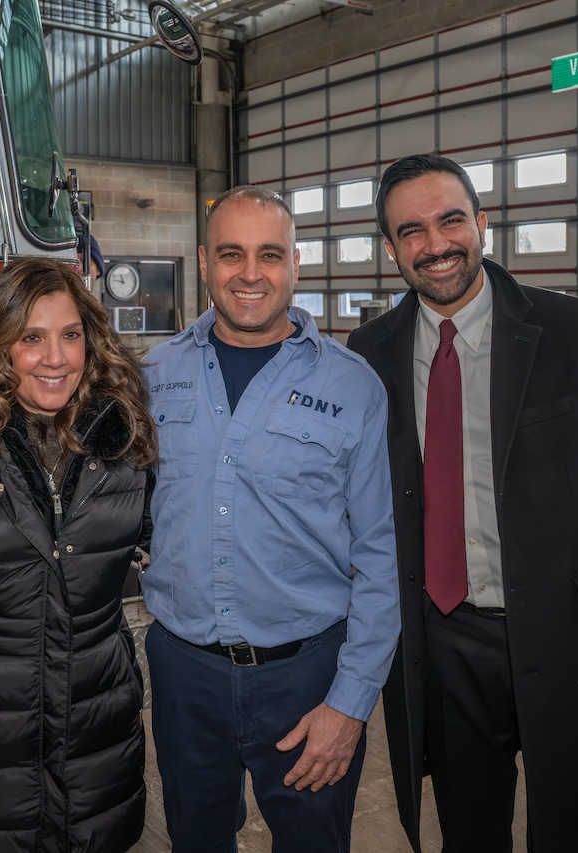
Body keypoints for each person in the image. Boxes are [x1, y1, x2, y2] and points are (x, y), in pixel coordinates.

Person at [347, 153, 578, 853]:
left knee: (577, 828)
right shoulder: (369, 350)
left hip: (571, 638)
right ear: (390, 248)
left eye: (450, 220)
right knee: (470, 832)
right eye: (411, 231)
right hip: (441, 647)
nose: (435, 245)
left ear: (484, 224)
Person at [142, 185, 400, 852]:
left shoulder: (353, 386)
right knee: (196, 839)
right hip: (182, 670)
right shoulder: (152, 374)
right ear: (204, 262)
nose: (250, 274)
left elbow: (382, 555)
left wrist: (350, 702)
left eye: (269, 254)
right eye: (231, 254)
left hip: (306, 673)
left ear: (295, 263)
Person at [0, 256, 156, 852]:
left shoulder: (124, 442)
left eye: (71, 335)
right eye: (31, 337)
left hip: (98, 738)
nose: (56, 358)